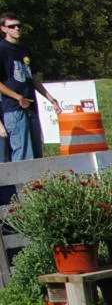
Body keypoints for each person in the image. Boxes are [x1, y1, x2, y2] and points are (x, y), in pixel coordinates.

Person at [0, 12, 56, 202]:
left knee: (37, 154)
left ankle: (39, 197)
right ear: (3, 29)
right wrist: (18, 97)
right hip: (13, 109)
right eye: (12, 26)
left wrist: (50, 98)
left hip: (31, 107)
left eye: (19, 25)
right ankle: (25, 200)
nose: (17, 29)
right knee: (23, 154)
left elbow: (34, 79)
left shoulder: (25, 50)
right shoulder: (2, 50)